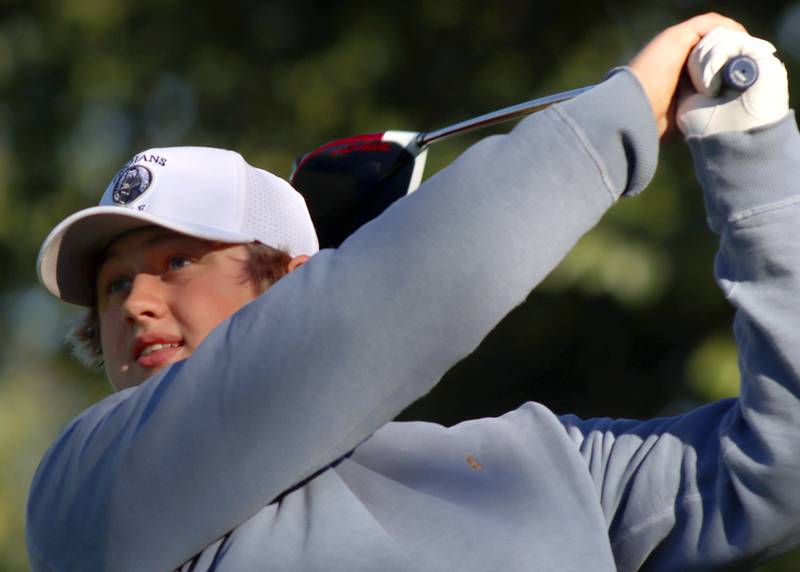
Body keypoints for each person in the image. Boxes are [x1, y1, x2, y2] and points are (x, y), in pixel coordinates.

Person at [26, 12, 800, 571]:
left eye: (177, 263)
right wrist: (619, 114)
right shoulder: (84, 488)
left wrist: (752, 155)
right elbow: (366, 313)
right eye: (115, 282)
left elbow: (780, 468)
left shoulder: (540, 466)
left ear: (290, 275)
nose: (135, 303)